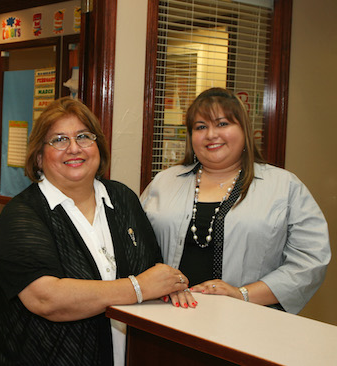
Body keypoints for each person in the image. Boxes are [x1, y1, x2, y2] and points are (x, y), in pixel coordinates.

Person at [0, 97, 191, 366]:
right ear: (39, 157)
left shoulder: (123, 198)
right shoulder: (22, 214)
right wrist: (139, 287)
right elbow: (46, 298)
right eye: (59, 140)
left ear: (98, 146)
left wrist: (168, 286)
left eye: (83, 137)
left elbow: (151, 267)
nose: (74, 148)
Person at [140, 87, 331, 314]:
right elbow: (135, 247)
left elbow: (310, 260)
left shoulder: (284, 186)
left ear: (244, 130)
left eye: (222, 124)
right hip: (166, 317)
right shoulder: (164, 181)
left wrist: (243, 294)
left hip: (248, 322)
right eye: (201, 127)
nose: (211, 134)